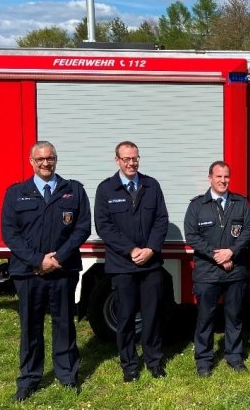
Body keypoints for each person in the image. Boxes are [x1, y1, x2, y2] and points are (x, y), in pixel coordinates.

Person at [0, 141, 91, 402]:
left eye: (50, 158)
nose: (45, 163)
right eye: (40, 159)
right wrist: (38, 261)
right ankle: (29, 378)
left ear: (56, 160)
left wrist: (57, 258)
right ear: (31, 161)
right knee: (31, 326)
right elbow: (10, 233)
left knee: (64, 324)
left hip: (63, 270)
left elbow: (82, 228)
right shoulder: (16, 193)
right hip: (29, 272)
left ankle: (67, 375)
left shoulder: (72, 190)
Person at [95, 141, 169, 382]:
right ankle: (129, 365)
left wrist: (150, 249)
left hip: (150, 264)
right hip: (122, 265)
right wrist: (131, 249)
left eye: (135, 158)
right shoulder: (106, 189)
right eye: (126, 159)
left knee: (152, 316)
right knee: (125, 318)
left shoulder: (151, 185)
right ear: (117, 160)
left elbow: (161, 219)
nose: (131, 163)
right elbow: (104, 226)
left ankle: (154, 361)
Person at [184, 161, 250, 377]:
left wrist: (231, 252)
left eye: (226, 177)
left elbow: (249, 229)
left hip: (235, 271)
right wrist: (217, 255)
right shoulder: (197, 205)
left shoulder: (240, 203)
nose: (223, 181)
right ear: (210, 178)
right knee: (205, 318)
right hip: (207, 272)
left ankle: (234, 357)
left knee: (234, 316)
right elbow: (192, 236)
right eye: (218, 177)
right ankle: (204, 361)